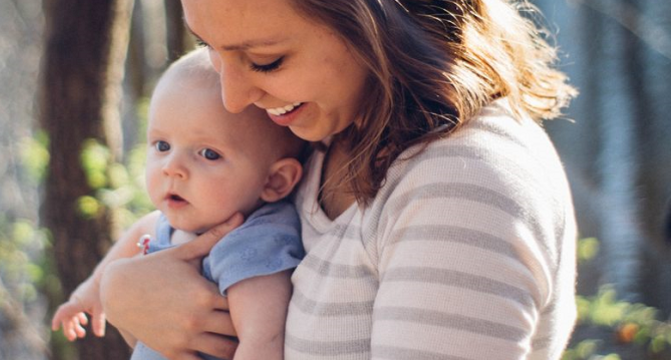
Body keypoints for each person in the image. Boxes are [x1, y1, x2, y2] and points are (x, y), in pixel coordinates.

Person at [97, 0, 580, 359]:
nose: (233, 98)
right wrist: (123, 293)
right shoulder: (324, 132)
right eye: (210, 48)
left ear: (379, 22)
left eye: (265, 60)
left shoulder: (462, 188)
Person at [51, 50, 307, 360]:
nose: (172, 167)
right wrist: (89, 293)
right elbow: (140, 230)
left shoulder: (252, 242)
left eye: (208, 154)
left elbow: (262, 342)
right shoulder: (170, 223)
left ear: (274, 182)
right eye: (162, 145)